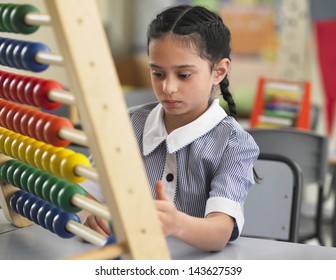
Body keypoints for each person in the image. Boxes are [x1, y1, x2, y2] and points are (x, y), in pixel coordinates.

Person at [83, 4, 259, 252]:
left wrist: (176, 224)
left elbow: (220, 231)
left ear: (218, 71)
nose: (168, 88)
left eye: (184, 75)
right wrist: (89, 214)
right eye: (157, 73)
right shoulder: (126, 125)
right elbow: (86, 194)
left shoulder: (234, 144)